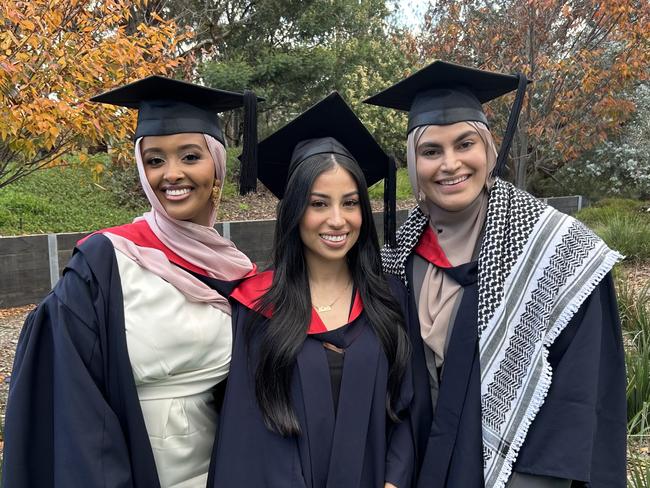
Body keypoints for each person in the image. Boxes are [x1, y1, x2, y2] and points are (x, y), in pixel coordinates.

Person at [365, 61, 627, 487]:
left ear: (488, 148)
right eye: (431, 151)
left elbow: (579, 396)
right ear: (414, 164)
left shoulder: (555, 251)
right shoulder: (398, 253)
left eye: (464, 143)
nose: (450, 164)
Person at [1, 76, 259, 487]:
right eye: (155, 160)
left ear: (217, 166)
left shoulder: (234, 269)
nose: (171, 174)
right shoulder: (104, 262)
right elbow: (74, 409)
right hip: (134, 472)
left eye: (190, 156)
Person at [210, 92, 426, 488]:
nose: (337, 220)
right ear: (294, 210)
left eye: (350, 203)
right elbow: (246, 434)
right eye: (319, 204)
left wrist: (395, 481)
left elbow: (407, 408)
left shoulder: (390, 299)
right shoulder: (257, 307)